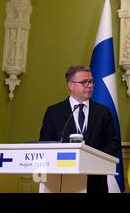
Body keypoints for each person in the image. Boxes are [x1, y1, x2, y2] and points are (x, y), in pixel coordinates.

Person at [39, 65, 119, 193]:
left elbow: (113, 143)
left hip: (96, 181)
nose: (90, 85)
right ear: (71, 85)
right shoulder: (54, 112)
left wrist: (93, 159)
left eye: (91, 81)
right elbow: (45, 142)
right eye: (84, 82)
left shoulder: (103, 112)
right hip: (62, 180)